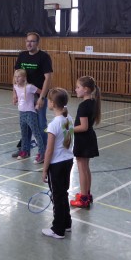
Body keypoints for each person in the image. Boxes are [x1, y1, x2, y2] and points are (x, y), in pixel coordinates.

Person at [41, 88, 75, 239]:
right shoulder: (69, 118)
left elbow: (49, 150)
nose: (47, 102)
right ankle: (67, 223)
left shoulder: (54, 124)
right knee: (63, 194)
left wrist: (44, 169)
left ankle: (58, 229)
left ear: (53, 104)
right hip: (68, 161)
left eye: (48, 100)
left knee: (57, 197)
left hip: (57, 164)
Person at [13, 32, 53, 157]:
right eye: (27, 41)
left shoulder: (44, 57)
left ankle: (44, 152)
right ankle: (25, 150)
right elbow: (16, 75)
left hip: (38, 95)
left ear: (37, 43)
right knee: (26, 125)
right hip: (25, 96)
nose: (29, 44)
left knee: (41, 125)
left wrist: (42, 97)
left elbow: (48, 78)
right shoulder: (22, 55)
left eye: (32, 41)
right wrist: (15, 93)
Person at [70, 76, 101, 209]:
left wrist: (69, 130)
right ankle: (86, 194)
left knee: (82, 169)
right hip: (88, 138)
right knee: (86, 168)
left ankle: (83, 198)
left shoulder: (83, 106)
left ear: (86, 89)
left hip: (83, 140)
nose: (76, 89)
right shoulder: (93, 102)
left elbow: (83, 127)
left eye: (78, 87)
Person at [12, 69, 46, 162]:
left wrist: (39, 101)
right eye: (15, 77)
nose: (17, 79)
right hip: (21, 113)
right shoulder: (16, 86)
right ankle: (24, 151)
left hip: (30, 113)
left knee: (36, 134)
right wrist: (15, 99)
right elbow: (18, 96)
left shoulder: (30, 87)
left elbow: (41, 92)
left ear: (24, 78)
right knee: (24, 134)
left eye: (19, 77)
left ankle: (41, 153)